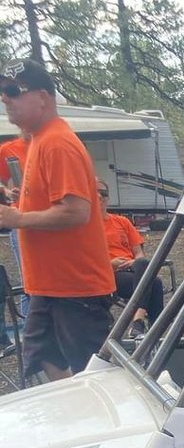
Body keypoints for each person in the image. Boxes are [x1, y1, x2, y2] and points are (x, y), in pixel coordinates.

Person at [0, 59, 114, 382]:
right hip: (49, 287)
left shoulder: (58, 143)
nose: (5, 99)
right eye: (3, 93)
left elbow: (76, 211)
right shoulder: (38, 140)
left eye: (13, 91)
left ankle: (96, 414)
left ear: (43, 97)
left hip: (75, 288)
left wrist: (19, 218)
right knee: (44, 355)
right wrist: (16, 203)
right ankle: (73, 408)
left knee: (95, 375)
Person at [97, 179, 163, 338]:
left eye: (103, 194)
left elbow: (138, 252)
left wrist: (134, 261)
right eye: (94, 193)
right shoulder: (86, 227)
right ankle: (150, 330)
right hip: (106, 274)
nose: (99, 197)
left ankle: (141, 324)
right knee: (155, 283)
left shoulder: (122, 222)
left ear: (108, 198)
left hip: (131, 268)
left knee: (142, 263)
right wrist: (110, 265)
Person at [0, 131, 31, 318]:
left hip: (51, 220)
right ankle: (30, 331)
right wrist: (6, 192)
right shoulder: (8, 149)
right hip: (22, 220)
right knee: (30, 280)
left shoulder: (53, 145)